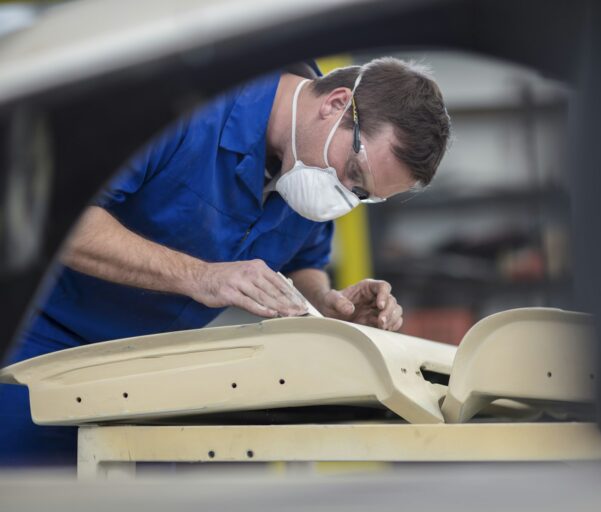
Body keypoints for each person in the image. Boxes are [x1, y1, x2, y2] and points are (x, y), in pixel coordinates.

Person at [0, 57, 452, 464]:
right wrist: (199, 277)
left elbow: (304, 259)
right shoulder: (185, 107)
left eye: (364, 198)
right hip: (37, 342)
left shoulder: (311, 169)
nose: (344, 198)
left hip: (144, 375)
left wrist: (328, 303)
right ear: (335, 104)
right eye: (354, 176)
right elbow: (58, 224)